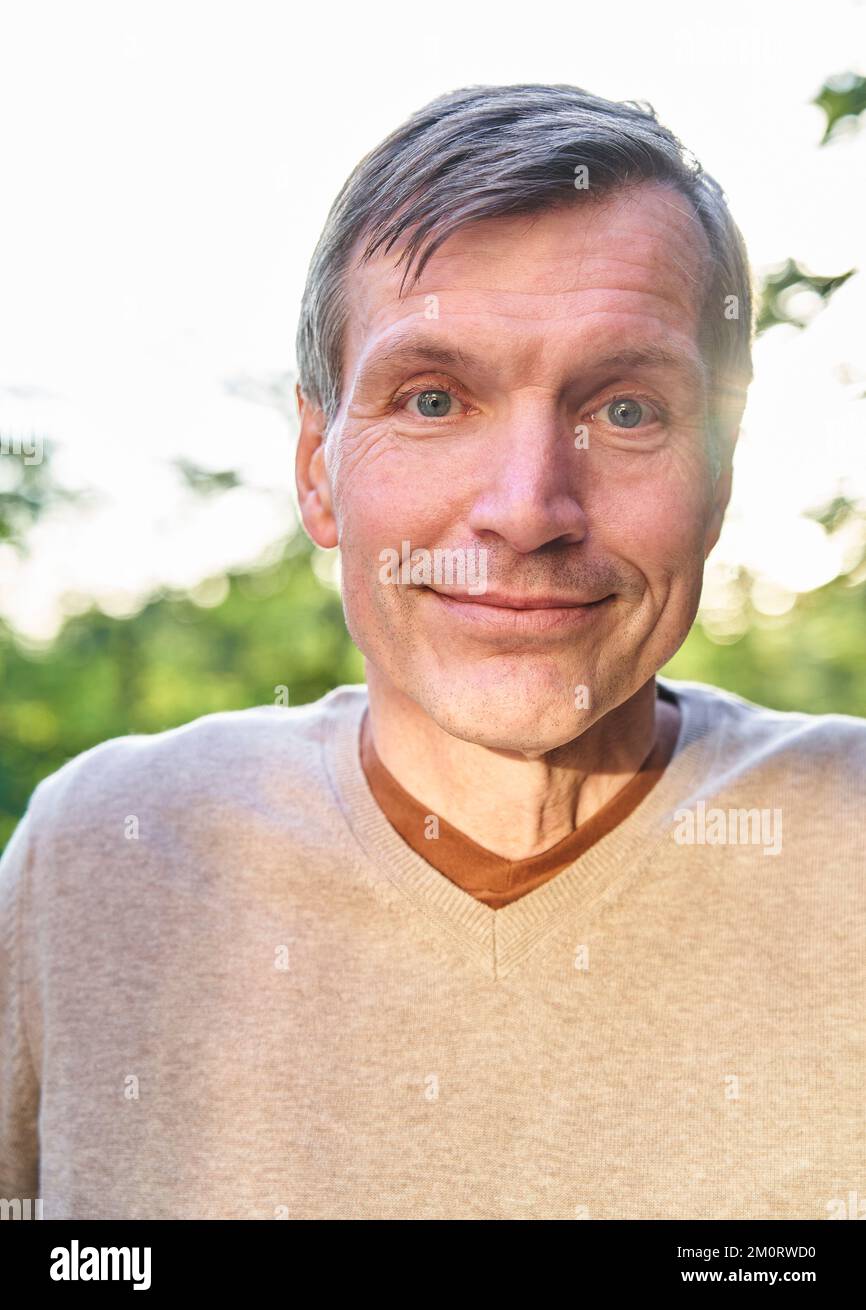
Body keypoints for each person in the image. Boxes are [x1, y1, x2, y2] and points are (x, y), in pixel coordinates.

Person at [1, 84, 863, 1221]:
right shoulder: (96, 857)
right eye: (431, 398)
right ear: (318, 468)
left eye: (625, 411)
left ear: (719, 479)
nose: (525, 508)